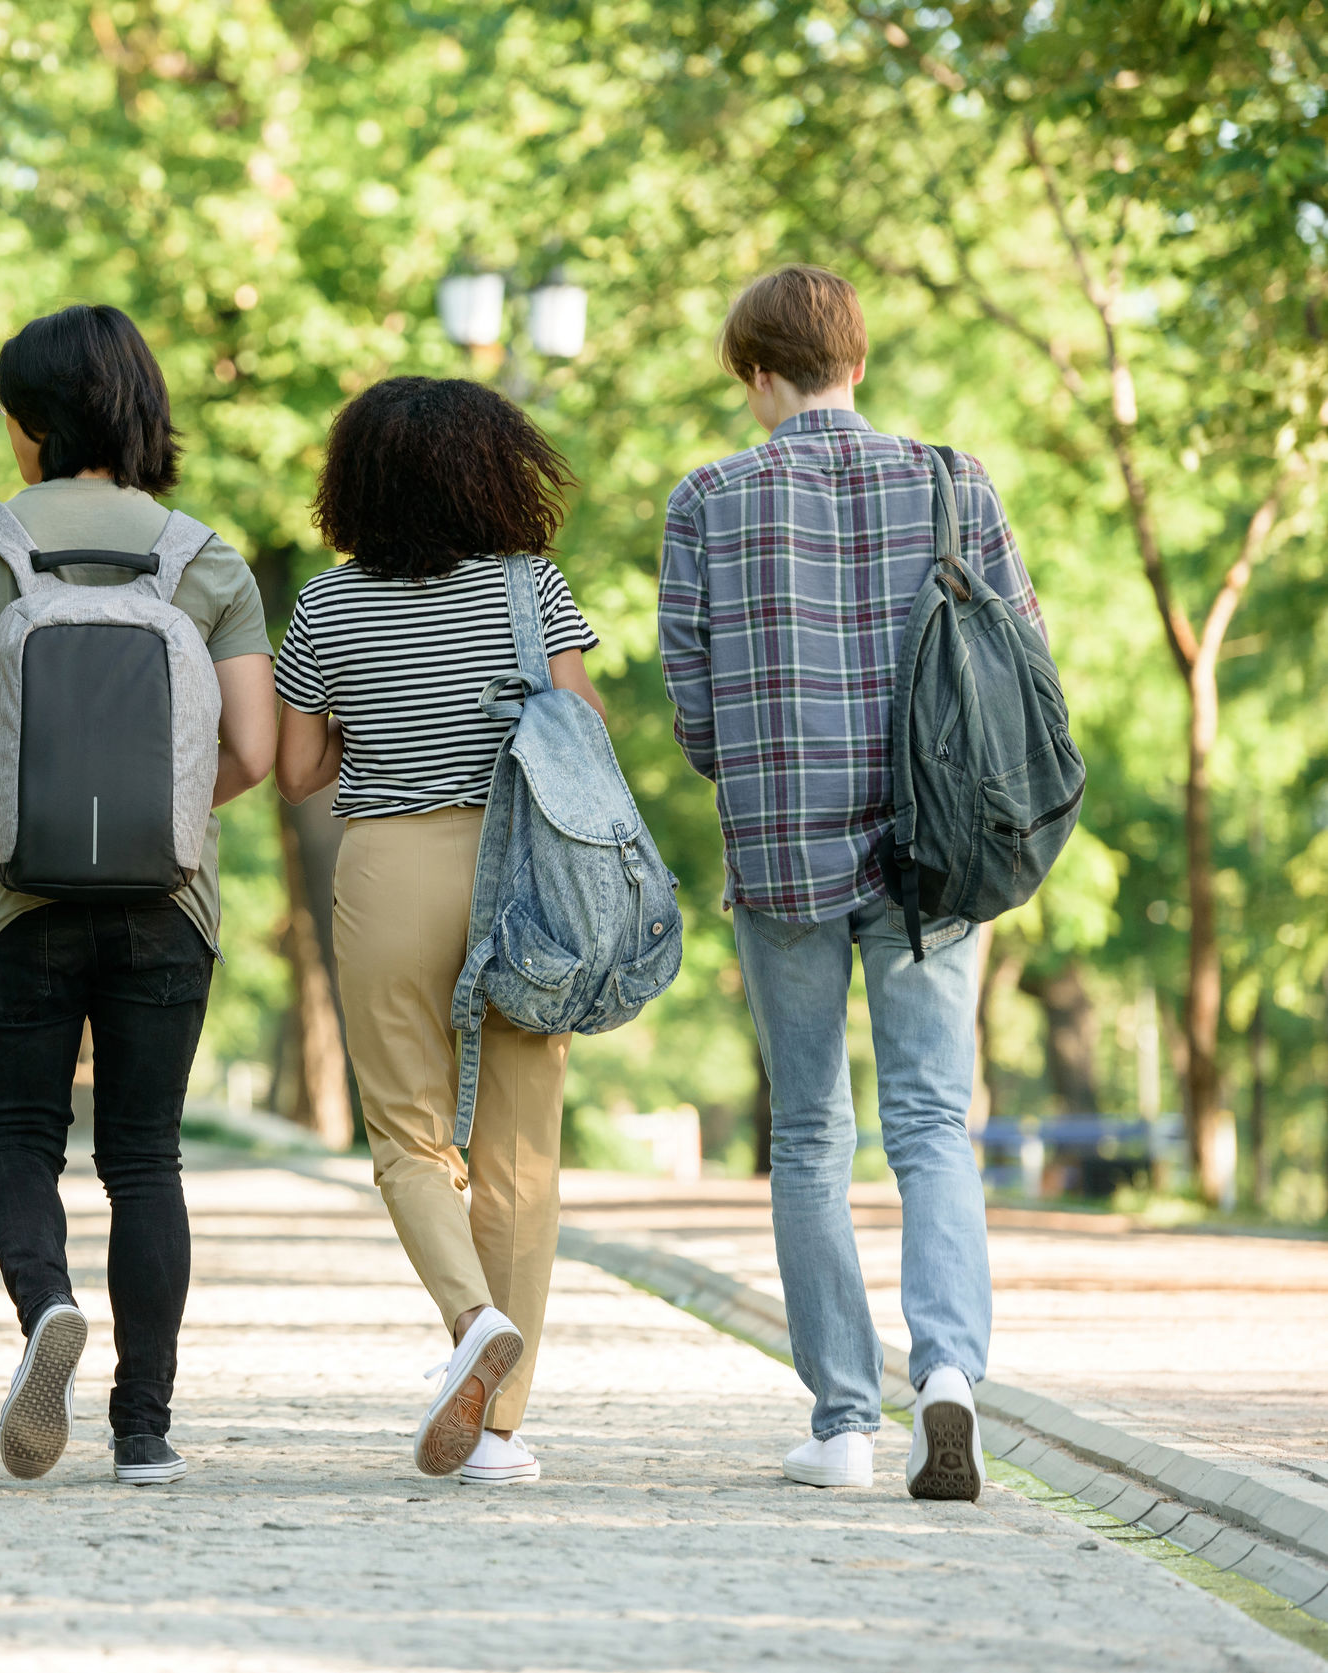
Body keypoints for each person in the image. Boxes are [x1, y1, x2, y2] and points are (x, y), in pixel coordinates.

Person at [658, 264, 1044, 1501]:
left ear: (756, 376)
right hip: (937, 850)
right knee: (932, 1124)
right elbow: (1019, 650)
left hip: (782, 852)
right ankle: (948, 1378)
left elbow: (690, 694)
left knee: (810, 1134)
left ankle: (839, 1422)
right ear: (856, 362)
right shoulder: (950, 479)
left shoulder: (707, 497)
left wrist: (761, 769)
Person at [0, 303, 275, 1487]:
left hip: (17, 906)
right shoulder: (204, 557)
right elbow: (255, 750)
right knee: (145, 1157)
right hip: (169, 904)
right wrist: (163, 822)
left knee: (18, 1137)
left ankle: (46, 1306)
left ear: (28, 424)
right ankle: (144, 1429)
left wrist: (10, 840)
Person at [274, 377, 605, 1487]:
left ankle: (470, 1321)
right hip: (520, 867)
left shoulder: (325, 605)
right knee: (519, 1147)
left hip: (389, 867)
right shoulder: (531, 586)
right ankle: (497, 1430)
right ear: (491, 468)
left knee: (410, 1135)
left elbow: (296, 770)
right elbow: (581, 727)